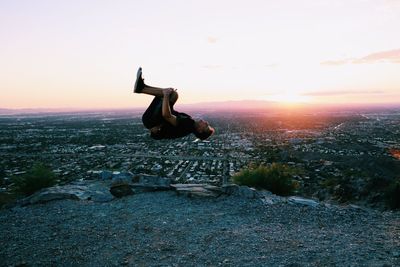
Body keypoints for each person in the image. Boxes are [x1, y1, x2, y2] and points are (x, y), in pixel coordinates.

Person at [133, 67, 215, 140]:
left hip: (151, 119)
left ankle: (141, 88)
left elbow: (167, 115)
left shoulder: (187, 125)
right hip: (153, 121)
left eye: (206, 126)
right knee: (173, 95)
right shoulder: (189, 125)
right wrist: (154, 133)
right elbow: (165, 133)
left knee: (170, 94)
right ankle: (142, 87)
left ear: (200, 130)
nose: (206, 123)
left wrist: (166, 95)